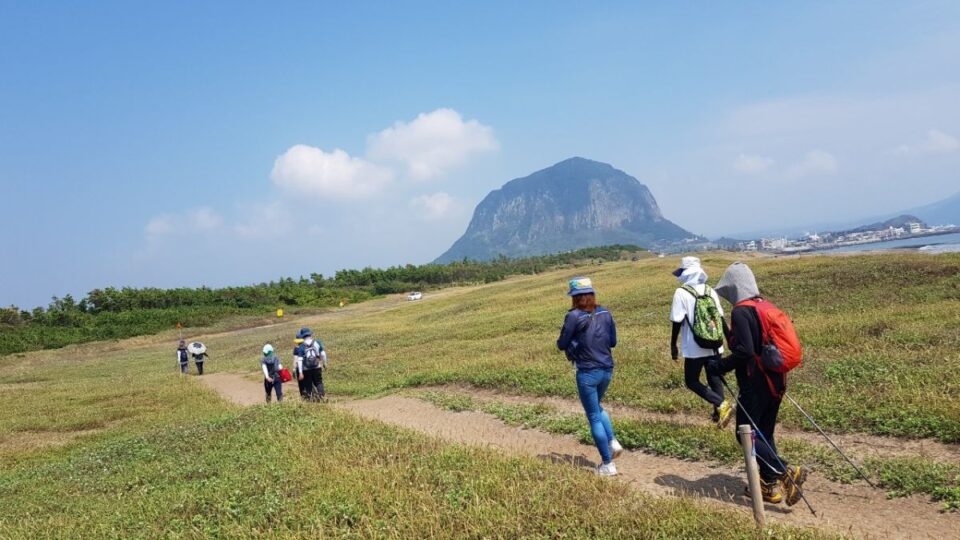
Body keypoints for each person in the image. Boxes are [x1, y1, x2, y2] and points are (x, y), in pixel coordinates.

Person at [707, 262, 807, 505]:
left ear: (734, 287)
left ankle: (786, 472)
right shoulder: (762, 305)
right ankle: (768, 487)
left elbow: (745, 352)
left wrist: (718, 367)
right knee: (764, 434)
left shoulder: (741, 310)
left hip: (755, 385)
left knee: (745, 435)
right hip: (776, 380)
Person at [556, 277, 623, 476]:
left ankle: (607, 464)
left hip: (586, 372)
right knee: (597, 407)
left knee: (593, 415)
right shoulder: (605, 313)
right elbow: (613, 342)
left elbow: (561, 344)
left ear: (574, 297)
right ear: (592, 294)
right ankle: (612, 441)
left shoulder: (574, 316)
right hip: (607, 370)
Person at [669, 256, 735, 427]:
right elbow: (720, 318)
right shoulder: (709, 290)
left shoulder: (681, 292)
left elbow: (677, 321)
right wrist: (729, 340)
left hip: (695, 346)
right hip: (715, 344)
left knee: (691, 381)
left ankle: (721, 405)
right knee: (715, 378)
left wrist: (673, 347)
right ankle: (718, 415)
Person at [294, 327, 328, 402]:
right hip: (317, 367)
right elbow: (323, 354)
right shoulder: (317, 342)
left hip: (306, 369)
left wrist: (300, 373)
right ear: (310, 334)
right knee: (319, 382)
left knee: (308, 385)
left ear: (302, 336)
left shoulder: (301, 346)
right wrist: (324, 363)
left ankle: (310, 401)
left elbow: (299, 360)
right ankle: (322, 397)